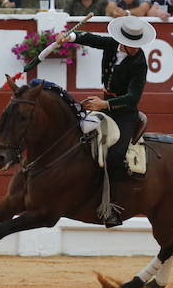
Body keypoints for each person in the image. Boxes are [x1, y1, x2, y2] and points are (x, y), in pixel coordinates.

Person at [55, 15, 155, 227]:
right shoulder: (111, 45)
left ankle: (115, 205)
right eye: (132, 45)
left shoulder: (139, 63)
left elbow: (133, 98)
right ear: (123, 42)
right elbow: (90, 38)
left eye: (138, 45)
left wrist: (105, 105)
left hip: (124, 113)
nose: (136, 48)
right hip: (104, 104)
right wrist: (69, 36)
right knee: (78, 136)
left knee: (116, 155)